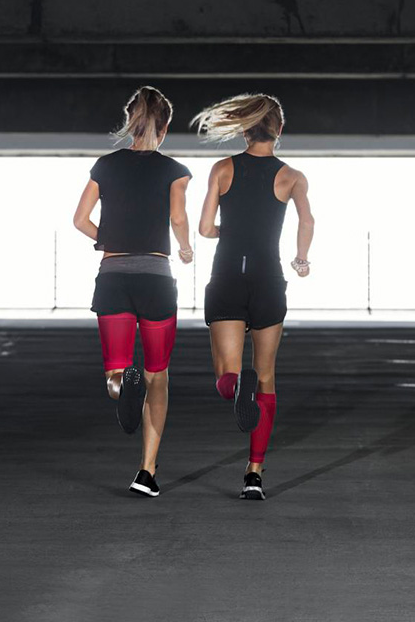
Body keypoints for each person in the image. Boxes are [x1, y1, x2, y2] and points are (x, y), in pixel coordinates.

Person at [192, 93, 314, 500]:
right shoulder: (292, 176)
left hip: (227, 274)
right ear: (279, 131)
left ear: (245, 129)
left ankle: (232, 386)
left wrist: (228, 232)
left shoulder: (222, 169)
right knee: (266, 376)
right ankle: (254, 474)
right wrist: (301, 260)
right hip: (267, 277)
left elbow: (206, 228)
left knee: (227, 374)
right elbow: (307, 220)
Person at [73, 86, 193, 498]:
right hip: (157, 278)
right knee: (159, 375)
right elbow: (178, 218)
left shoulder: (105, 165)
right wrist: (186, 247)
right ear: (166, 125)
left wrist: (108, 239)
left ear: (132, 120)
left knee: (116, 372)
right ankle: (146, 472)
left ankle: (123, 385)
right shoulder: (175, 169)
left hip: (113, 277)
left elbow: (80, 219)